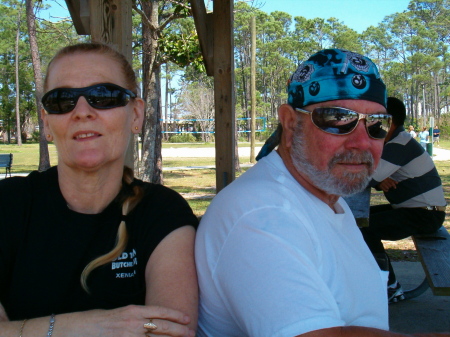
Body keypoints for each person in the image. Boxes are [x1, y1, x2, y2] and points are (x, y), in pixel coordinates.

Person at [196, 48, 417, 337]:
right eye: (338, 118)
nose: (362, 142)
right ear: (290, 123)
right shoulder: (263, 214)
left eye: (377, 124)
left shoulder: (326, 196)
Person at [0, 43, 198, 337]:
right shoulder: (7, 204)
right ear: (47, 124)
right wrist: (86, 325)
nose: (82, 111)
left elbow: (171, 331)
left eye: (103, 96)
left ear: (135, 115)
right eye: (62, 100)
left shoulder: (163, 213)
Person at [360, 97, 446, 303]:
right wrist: (379, 181)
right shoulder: (393, 141)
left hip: (425, 214)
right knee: (361, 220)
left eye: (375, 118)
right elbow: (371, 171)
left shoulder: (399, 144)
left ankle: (390, 287)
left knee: (365, 228)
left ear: (388, 120)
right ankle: (375, 280)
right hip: (418, 209)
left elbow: (364, 175)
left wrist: (376, 179)